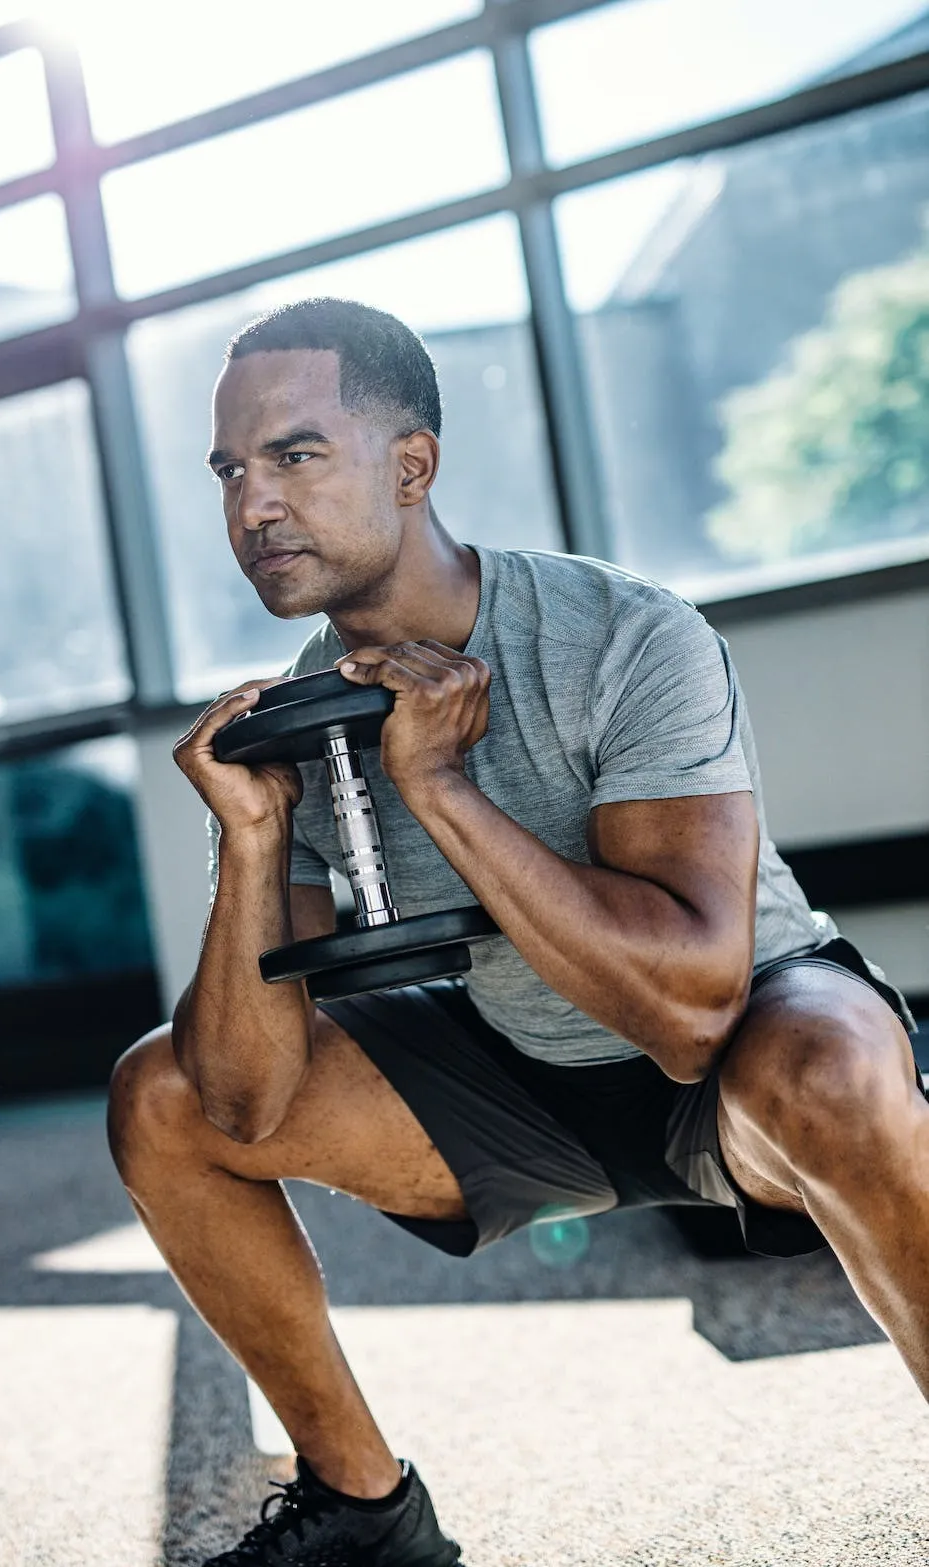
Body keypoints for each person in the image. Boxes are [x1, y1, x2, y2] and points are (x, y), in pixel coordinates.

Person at [108, 298, 926, 1566]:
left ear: (413, 465)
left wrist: (440, 787)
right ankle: (366, 1515)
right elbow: (245, 1101)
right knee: (159, 1094)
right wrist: (257, 844)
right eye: (230, 471)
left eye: (295, 455)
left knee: (831, 1063)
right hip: (510, 1066)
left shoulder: (622, 634)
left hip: (738, 1053)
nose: (251, 506)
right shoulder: (295, 725)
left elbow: (691, 1005)